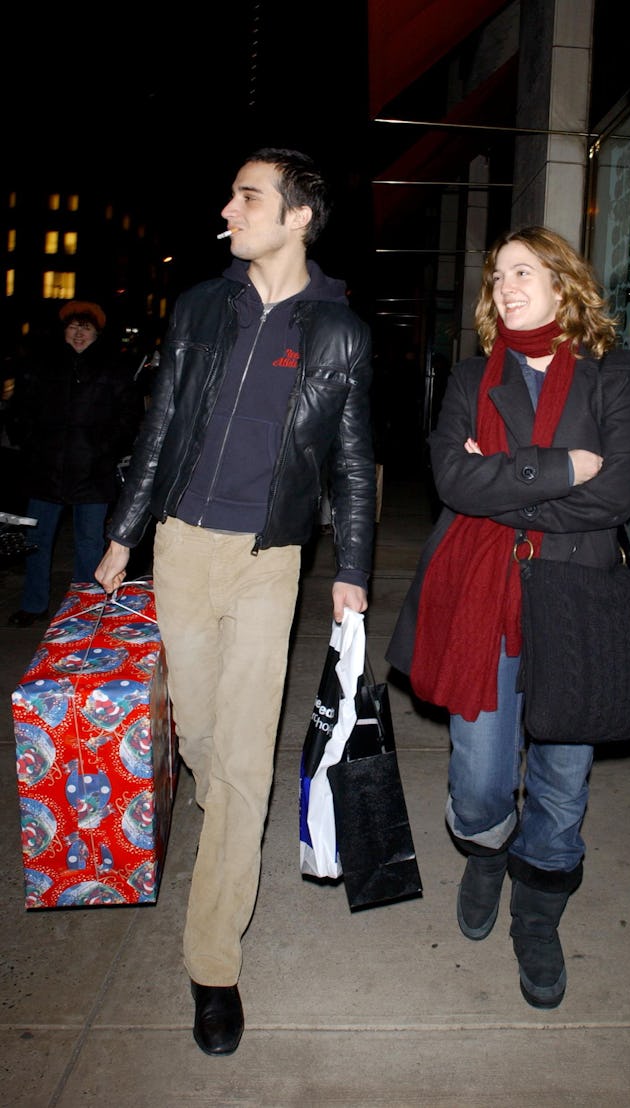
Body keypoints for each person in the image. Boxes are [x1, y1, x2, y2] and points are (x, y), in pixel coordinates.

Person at [95, 148, 377, 1056]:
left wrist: (354, 566)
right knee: (202, 739)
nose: (229, 207)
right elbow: (164, 423)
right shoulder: (200, 309)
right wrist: (121, 537)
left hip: (270, 559)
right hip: (179, 547)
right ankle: (232, 813)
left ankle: (213, 964)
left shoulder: (339, 331)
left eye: (247, 195)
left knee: (246, 759)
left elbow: (350, 461)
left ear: (297, 217)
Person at [386, 226, 630, 1010]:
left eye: (523, 271)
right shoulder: (472, 374)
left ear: (564, 284)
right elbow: (451, 479)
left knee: (564, 780)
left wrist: (502, 483)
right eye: (496, 275)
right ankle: (486, 849)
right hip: (483, 595)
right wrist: (565, 466)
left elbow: (619, 496)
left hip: (578, 596)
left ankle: (537, 912)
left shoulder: (612, 372)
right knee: (479, 778)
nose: (504, 285)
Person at [7, 301, 141, 627]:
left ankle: (85, 605)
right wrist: (31, 444)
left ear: (98, 333)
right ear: (63, 330)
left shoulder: (113, 369)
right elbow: (19, 410)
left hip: (93, 471)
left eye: (86, 328)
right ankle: (34, 604)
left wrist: (105, 449)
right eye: (73, 326)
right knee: (36, 541)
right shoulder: (40, 365)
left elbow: (130, 417)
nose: (79, 334)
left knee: (90, 542)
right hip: (44, 469)